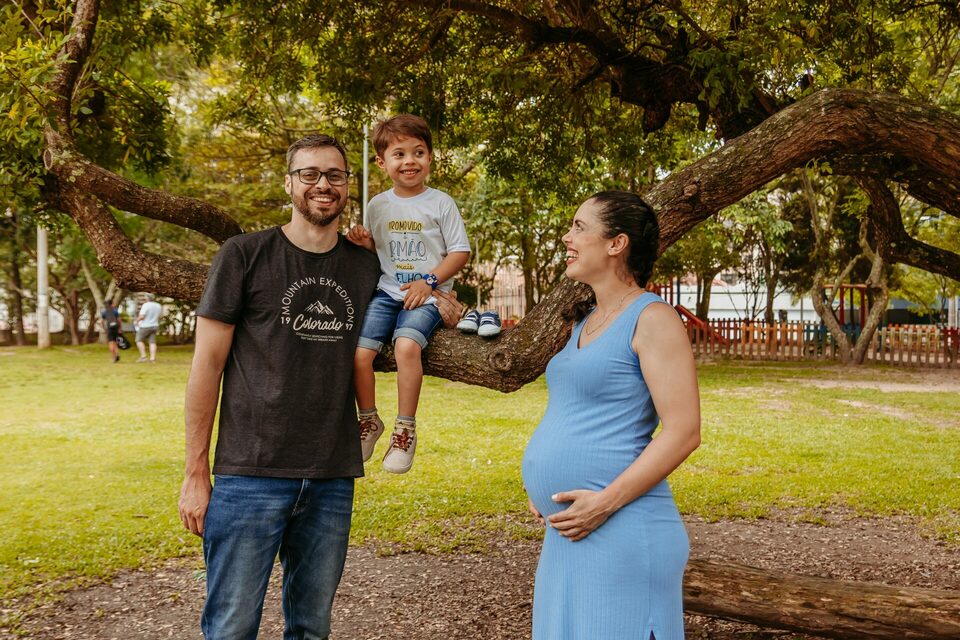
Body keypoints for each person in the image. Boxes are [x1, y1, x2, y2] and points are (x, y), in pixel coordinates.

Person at [521, 191, 701, 640]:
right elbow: (579, 411)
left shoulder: (653, 318)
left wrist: (602, 504)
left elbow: (683, 431)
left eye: (580, 227)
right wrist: (543, 484)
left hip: (621, 529)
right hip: (568, 535)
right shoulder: (585, 321)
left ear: (617, 243)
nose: (567, 237)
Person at [346, 114, 470, 474]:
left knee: (405, 347)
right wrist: (366, 245)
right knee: (359, 354)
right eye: (398, 154)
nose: (409, 161)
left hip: (429, 296)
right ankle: (369, 420)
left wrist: (428, 281)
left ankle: (404, 430)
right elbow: (381, 255)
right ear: (382, 162)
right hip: (388, 292)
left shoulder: (441, 202)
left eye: (418, 152)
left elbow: (459, 252)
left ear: (429, 157)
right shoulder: (377, 205)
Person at [135, 294, 163, 362]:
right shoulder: (158, 305)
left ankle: (143, 357)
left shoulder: (146, 305)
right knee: (152, 342)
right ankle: (152, 358)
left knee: (138, 340)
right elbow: (160, 316)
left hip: (145, 326)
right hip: (155, 326)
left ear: (147, 298)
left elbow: (142, 316)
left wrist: (136, 321)